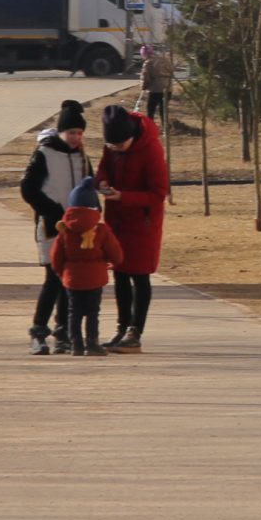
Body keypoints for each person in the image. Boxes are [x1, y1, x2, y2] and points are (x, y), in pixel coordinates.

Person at [17, 99, 92, 355]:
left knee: (70, 280)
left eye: (80, 133)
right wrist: (56, 212)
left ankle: (63, 332)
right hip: (51, 226)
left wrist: (94, 216)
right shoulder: (44, 153)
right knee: (54, 279)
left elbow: (89, 189)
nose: (75, 137)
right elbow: (28, 189)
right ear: (61, 131)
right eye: (71, 132)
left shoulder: (82, 155)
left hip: (78, 229)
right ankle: (38, 331)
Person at [96, 103, 168, 352]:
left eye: (119, 145)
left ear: (130, 137)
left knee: (140, 275)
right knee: (120, 274)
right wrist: (102, 182)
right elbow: (103, 168)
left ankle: (135, 332)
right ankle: (121, 328)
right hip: (116, 221)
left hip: (142, 222)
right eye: (111, 146)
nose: (114, 149)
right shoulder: (112, 147)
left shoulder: (151, 150)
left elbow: (159, 194)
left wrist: (123, 196)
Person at [47, 176, 123, 356]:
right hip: (95, 278)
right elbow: (116, 253)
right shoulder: (101, 230)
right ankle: (92, 343)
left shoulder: (65, 230)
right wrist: (113, 262)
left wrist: (61, 272)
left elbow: (56, 256)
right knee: (92, 312)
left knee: (74, 312)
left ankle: (76, 345)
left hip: (72, 278)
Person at [140, 43, 175, 125]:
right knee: (163, 110)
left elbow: (145, 77)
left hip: (155, 90)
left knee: (151, 110)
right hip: (168, 89)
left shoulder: (148, 63)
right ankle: (165, 128)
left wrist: (143, 87)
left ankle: (150, 128)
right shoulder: (165, 59)